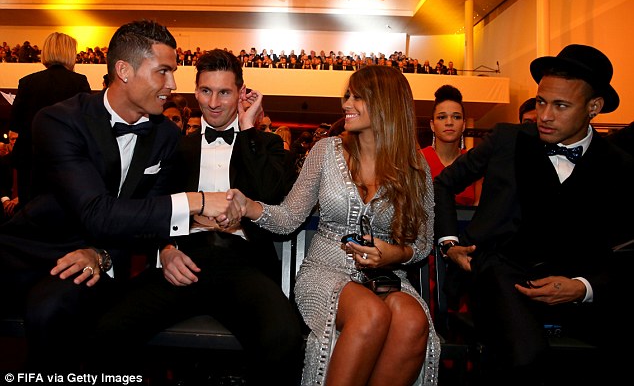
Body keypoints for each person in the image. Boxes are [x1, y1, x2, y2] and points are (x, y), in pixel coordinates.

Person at [0, 20, 239, 371]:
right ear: (124, 71)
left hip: (99, 264)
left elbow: (150, 221)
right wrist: (195, 200)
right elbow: (96, 211)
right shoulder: (59, 121)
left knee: (50, 310)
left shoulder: (165, 138)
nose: (172, 85)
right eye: (163, 72)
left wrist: (103, 254)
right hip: (33, 249)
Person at [94, 49, 303, 385]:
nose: (215, 103)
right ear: (195, 92)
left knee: (284, 338)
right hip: (184, 261)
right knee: (108, 327)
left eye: (225, 92)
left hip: (243, 263)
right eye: (206, 91)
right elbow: (151, 207)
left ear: (241, 92)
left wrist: (249, 130)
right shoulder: (174, 146)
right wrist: (166, 250)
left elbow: (272, 195)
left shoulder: (266, 145)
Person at [434, 44, 634, 385]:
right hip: (499, 273)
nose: (545, 115)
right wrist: (449, 242)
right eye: (541, 102)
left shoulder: (618, 164)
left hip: (574, 286)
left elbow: (624, 248)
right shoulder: (507, 139)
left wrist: (582, 287)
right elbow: (443, 185)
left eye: (560, 105)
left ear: (594, 107)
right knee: (527, 356)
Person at [234, 65, 440, 385]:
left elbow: (423, 242)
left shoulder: (413, 165)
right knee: (370, 315)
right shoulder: (326, 151)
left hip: (386, 275)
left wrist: (393, 255)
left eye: (358, 97)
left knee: (413, 321)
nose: (346, 104)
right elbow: (289, 217)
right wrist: (248, 207)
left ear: (387, 105)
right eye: (348, 95)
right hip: (325, 270)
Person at [10, 32, 91, 207]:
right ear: (70, 53)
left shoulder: (27, 82)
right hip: (67, 161)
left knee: (30, 214)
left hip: (30, 159)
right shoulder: (79, 82)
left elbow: (15, 122)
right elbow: (88, 122)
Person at [421, 85, 479, 206]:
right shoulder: (417, 161)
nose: (449, 122)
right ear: (432, 125)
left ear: (463, 125)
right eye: (442, 117)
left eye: (456, 117)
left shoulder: (474, 163)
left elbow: (480, 209)